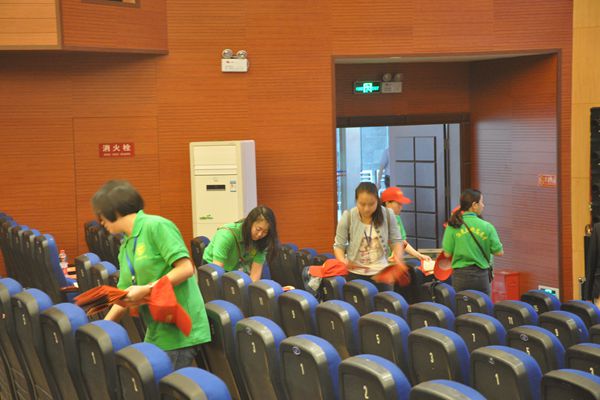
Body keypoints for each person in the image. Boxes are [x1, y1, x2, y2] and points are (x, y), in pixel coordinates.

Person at [93, 180, 210, 369]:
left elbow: (186, 268)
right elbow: (122, 297)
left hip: (179, 330)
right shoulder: (126, 245)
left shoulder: (157, 226)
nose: (101, 222)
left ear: (114, 210)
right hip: (156, 329)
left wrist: (147, 289)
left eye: (102, 215)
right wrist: (100, 331)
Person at [334, 182, 407, 291]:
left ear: (378, 201)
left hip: (382, 274)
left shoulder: (388, 214)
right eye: (362, 204)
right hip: (355, 274)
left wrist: (398, 256)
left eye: (371, 204)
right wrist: (342, 261)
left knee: (385, 302)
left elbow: (396, 240)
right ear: (356, 201)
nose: (366, 209)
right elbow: (339, 245)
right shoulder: (348, 216)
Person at [442, 188, 503, 295]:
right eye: (481, 202)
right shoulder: (487, 226)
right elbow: (499, 252)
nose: (483, 205)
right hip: (481, 277)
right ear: (474, 205)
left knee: (461, 303)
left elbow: (447, 254)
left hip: (460, 277)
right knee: (482, 304)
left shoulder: (452, 225)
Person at [202, 205, 279, 282]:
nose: (260, 234)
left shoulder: (263, 241)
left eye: (265, 232)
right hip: (212, 266)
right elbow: (217, 270)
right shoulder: (226, 235)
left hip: (234, 268)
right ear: (250, 223)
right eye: (258, 229)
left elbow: (255, 275)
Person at [381, 186, 432, 263]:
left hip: (394, 263)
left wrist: (419, 256)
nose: (401, 207)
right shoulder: (378, 221)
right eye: (398, 204)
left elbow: (402, 242)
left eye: (401, 204)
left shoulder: (397, 218)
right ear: (387, 203)